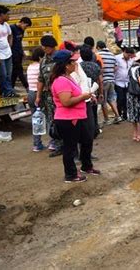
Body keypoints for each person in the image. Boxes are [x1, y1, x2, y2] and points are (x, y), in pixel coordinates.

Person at [50, 50, 100, 183]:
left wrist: (87, 96)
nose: (76, 64)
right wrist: (83, 97)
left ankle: (86, 166)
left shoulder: (69, 77)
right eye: (73, 62)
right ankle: (71, 175)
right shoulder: (61, 81)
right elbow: (66, 101)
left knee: (87, 140)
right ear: (67, 64)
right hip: (68, 119)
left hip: (78, 116)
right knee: (70, 147)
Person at [36, 35, 63, 157]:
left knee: (64, 120)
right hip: (49, 97)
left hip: (62, 95)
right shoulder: (43, 60)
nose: (43, 49)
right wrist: (38, 96)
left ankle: (66, 144)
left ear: (50, 47)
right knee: (53, 121)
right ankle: (57, 144)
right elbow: (41, 79)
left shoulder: (60, 58)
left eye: (45, 47)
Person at [79, 45, 103, 138]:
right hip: (94, 91)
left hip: (83, 93)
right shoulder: (96, 66)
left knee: (85, 113)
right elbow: (100, 80)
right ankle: (95, 130)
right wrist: (100, 93)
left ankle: (86, 131)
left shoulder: (79, 66)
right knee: (93, 112)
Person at [0, 5, 16, 97]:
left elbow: (10, 35)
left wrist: (9, 45)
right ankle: (5, 92)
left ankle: (8, 92)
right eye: (8, 14)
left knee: (9, 75)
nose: (9, 16)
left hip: (8, 54)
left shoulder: (6, 25)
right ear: (1, 15)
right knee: (2, 75)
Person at [97, 41, 122, 124]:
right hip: (111, 80)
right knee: (112, 99)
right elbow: (115, 67)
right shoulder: (112, 55)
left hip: (103, 80)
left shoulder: (98, 55)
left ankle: (106, 119)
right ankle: (118, 116)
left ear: (98, 47)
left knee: (103, 100)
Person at [27, 47, 45, 152]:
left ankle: (36, 144)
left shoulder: (29, 67)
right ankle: (53, 142)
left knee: (36, 120)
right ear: (40, 57)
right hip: (39, 94)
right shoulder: (40, 67)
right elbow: (41, 82)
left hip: (30, 94)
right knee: (47, 117)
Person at [10, 17, 32, 91]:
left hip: (19, 53)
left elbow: (19, 42)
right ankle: (27, 86)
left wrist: (22, 52)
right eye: (25, 26)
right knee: (19, 70)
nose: (25, 28)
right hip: (13, 53)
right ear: (22, 22)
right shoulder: (12, 28)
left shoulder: (22, 30)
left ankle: (11, 88)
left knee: (15, 71)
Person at [114, 47, 135, 120]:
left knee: (127, 99)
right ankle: (119, 114)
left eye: (130, 55)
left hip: (127, 82)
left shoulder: (131, 60)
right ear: (124, 52)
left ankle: (125, 115)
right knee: (120, 99)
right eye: (128, 55)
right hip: (118, 82)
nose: (129, 57)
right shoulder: (117, 58)